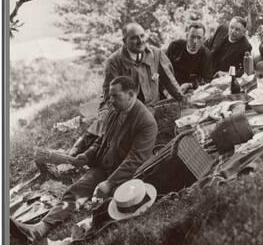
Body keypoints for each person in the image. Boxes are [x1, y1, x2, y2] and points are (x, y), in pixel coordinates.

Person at [10, 76, 158, 242]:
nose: (111, 100)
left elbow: (136, 159)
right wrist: (86, 156)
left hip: (126, 176)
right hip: (102, 169)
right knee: (75, 190)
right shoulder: (115, 112)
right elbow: (101, 140)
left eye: (116, 96)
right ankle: (39, 229)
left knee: (111, 206)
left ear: (131, 94)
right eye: (110, 96)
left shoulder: (146, 122)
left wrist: (109, 183)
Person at [68, 22, 183, 156]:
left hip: (150, 107)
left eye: (142, 36)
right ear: (124, 41)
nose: (140, 41)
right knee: (106, 124)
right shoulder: (114, 61)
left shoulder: (156, 54)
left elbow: (170, 81)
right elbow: (108, 94)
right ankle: (74, 155)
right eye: (134, 38)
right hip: (124, 107)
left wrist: (182, 98)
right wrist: (114, 113)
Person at [166, 21, 213, 92]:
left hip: (190, 90)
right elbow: (163, 69)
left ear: (204, 39)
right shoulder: (175, 46)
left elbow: (207, 79)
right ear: (187, 36)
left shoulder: (206, 54)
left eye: (199, 38)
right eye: (192, 37)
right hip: (170, 86)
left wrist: (190, 84)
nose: (195, 41)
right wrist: (166, 90)